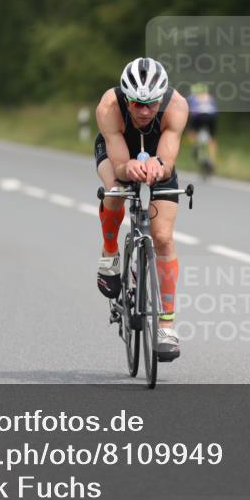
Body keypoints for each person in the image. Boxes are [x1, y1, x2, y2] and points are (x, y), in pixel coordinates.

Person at [94, 57, 189, 361]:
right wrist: (128, 167)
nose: (145, 111)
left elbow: (168, 156)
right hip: (119, 151)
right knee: (116, 191)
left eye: (151, 104)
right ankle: (110, 254)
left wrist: (158, 166)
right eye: (137, 104)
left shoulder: (177, 106)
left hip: (156, 158)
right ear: (126, 98)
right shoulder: (109, 106)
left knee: (162, 237)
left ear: (161, 99)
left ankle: (166, 325)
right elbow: (120, 163)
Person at [187, 82, 218, 168]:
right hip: (211, 117)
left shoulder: (193, 97)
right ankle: (213, 160)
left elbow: (188, 109)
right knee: (212, 139)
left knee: (191, 132)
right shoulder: (210, 97)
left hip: (198, 116)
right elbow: (215, 109)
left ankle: (196, 146)